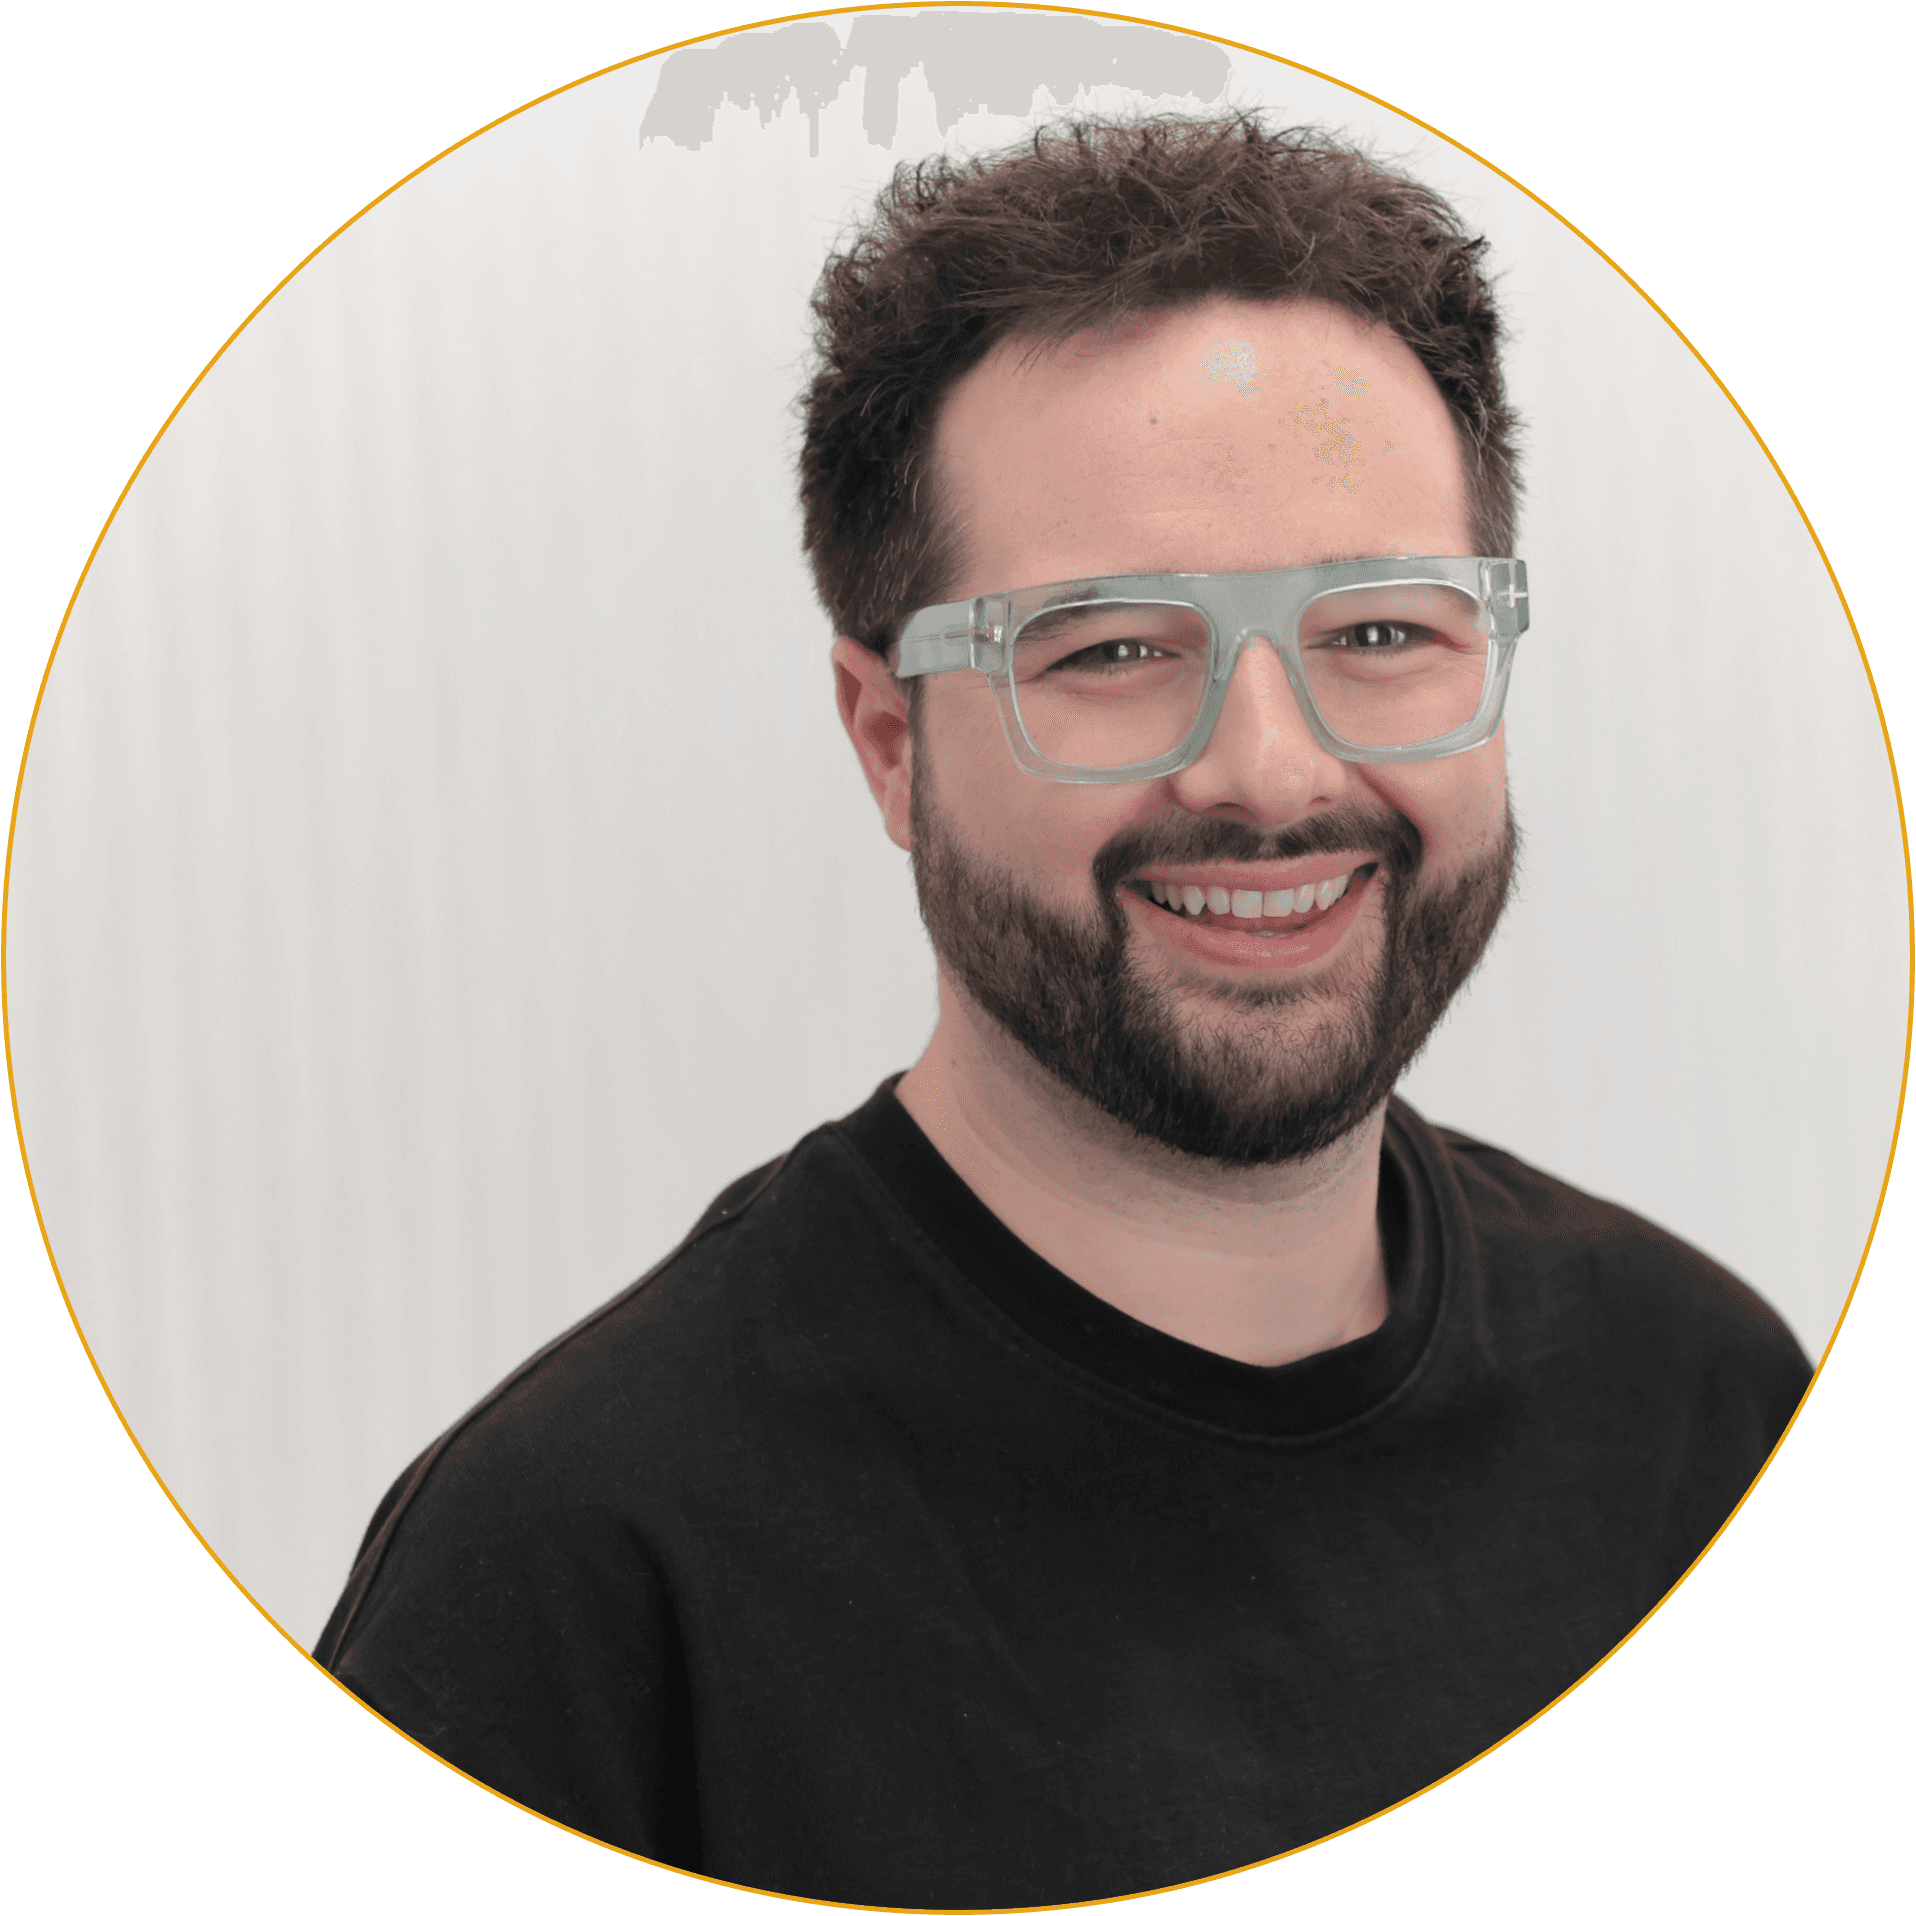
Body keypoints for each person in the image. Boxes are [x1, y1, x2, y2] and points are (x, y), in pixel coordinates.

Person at [316, 116, 1809, 1907]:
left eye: (1381, 632)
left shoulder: (1708, 1406)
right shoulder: (576, 1593)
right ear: (891, 743)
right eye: (1109, 651)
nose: (1272, 774)